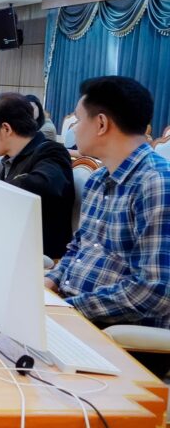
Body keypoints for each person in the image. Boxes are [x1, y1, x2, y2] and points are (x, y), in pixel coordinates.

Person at [46, 76, 170, 333]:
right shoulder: (99, 178)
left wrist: (68, 309)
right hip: (73, 308)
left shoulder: (156, 183)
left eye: (79, 120)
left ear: (101, 123)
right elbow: (79, 247)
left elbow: (154, 291)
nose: (74, 130)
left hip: (115, 331)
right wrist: (51, 281)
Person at [0, 93, 74, 258]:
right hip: (10, 243)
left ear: (6, 129)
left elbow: (45, 183)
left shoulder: (51, 151)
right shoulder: (11, 157)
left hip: (38, 255)